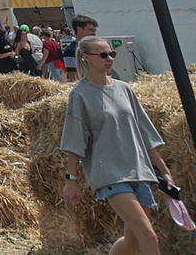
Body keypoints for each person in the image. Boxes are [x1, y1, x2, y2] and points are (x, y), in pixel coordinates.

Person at [62, 32, 179, 255]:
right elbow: (75, 140)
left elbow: (146, 134)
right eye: (103, 54)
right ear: (86, 57)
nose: (110, 58)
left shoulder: (124, 89)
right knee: (149, 236)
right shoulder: (80, 95)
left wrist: (165, 172)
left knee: (132, 240)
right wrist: (72, 180)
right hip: (110, 174)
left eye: (112, 53)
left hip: (139, 170)